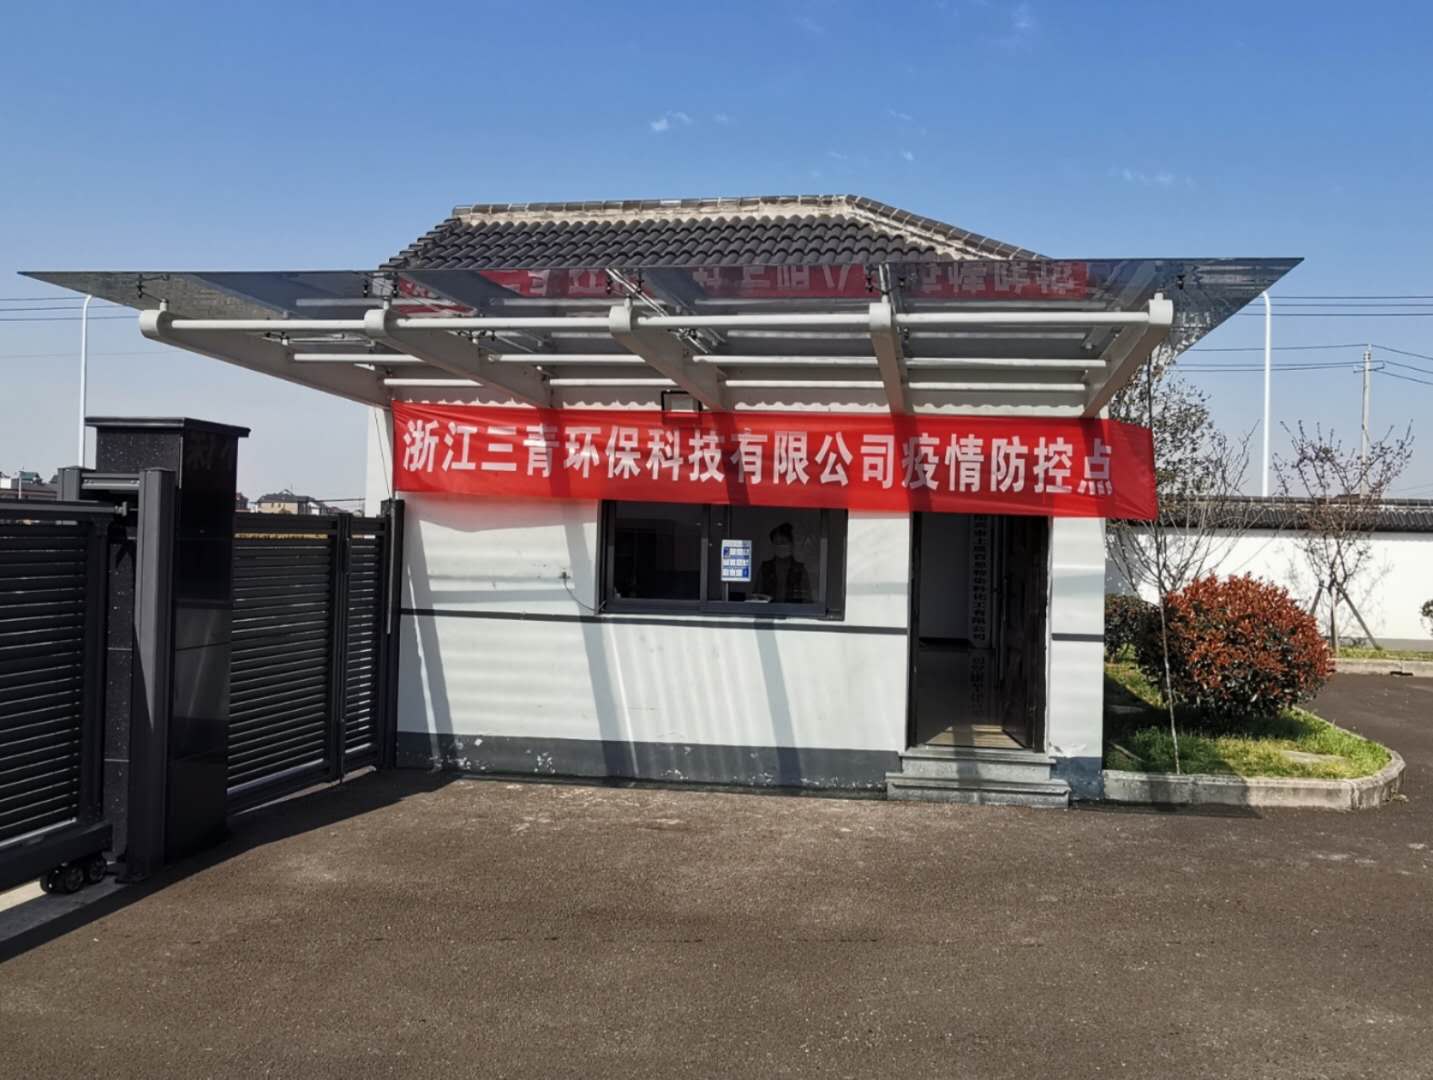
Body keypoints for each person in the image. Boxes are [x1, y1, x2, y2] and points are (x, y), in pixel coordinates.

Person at [756, 522, 811, 603]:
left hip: (793, 610)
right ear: (772, 545)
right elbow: (756, 597)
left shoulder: (800, 570)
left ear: (791, 544)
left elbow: (807, 600)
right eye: (776, 543)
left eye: (783, 542)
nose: (780, 546)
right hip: (768, 610)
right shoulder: (765, 568)